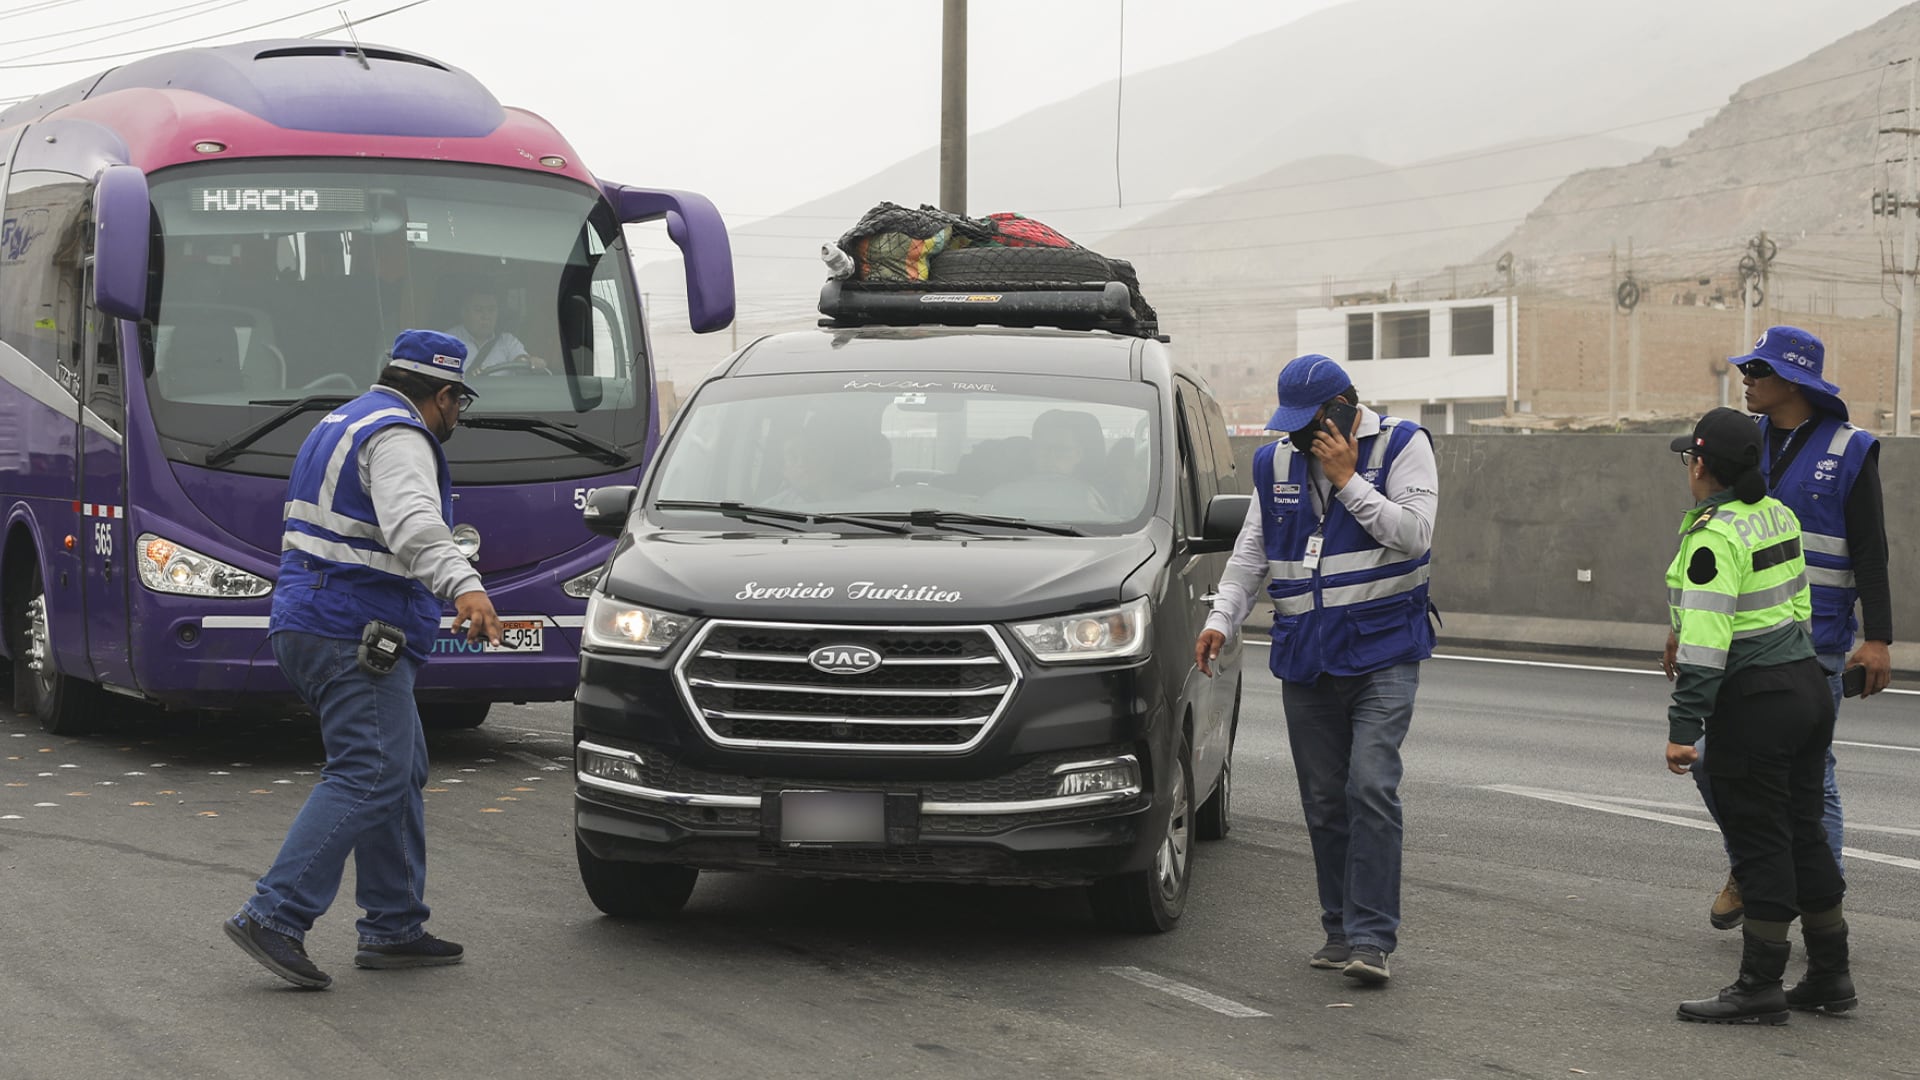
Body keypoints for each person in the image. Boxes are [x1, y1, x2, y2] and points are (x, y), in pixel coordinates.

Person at [224, 329, 504, 991]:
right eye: (457, 404)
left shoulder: (341, 420)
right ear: (441, 395)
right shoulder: (403, 436)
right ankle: (275, 914)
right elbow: (412, 522)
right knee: (371, 767)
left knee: (397, 764)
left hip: (314, 618)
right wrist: (463, 584)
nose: (456, 418)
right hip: (352, 626)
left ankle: (395, 924)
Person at [1193, 353, 1438, 986]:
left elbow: (1414, 535)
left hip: (1383, 651)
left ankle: (1373, 938)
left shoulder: (1403, 447)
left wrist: (1349, 479)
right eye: (1291, 426)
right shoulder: (1275, 462)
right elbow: (1253, 550)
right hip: (1306, 655)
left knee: (1370, 786)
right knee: (1325, 801)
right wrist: (1223, 616)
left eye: (1310, 424)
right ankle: (1340, 931)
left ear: (1343, 410)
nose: (1298, 438)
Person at [1665, 326, 1891, 932]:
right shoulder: (1743, 441)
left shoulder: (1849, 449)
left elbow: (1871, 551)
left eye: (1757, 372)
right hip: (1742, 640)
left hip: (1817, 642)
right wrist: (1682, 627)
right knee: (1719, 766)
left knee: (1812, 781)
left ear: (1791, 380)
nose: (1746, 380)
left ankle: (1820, 906)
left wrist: (1879, 638)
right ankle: (1754, 868)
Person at [1661, 407, 1853, 1024]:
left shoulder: (1714, 537)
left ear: (1699, 465)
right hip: (1805, 686)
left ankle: (1759, 985)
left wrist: (1683, 731)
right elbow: (1798, 604)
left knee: (1760, 839)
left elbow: (1706, 647)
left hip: (1756, 702)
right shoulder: (1778, 514)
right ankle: (1830, 975)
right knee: (1803, 831)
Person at [447, 280, 550, 376]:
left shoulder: (507, 341)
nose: (486, 316)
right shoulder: (447, 342)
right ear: (464, 313)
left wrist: (531, 362)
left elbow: (521, 361)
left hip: (505, 395)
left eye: (491, 310)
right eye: (478, 310)